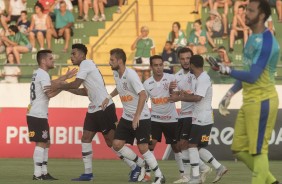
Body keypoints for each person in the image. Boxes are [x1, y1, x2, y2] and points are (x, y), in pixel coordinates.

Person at [46, 44, 142, 182]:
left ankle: (136, 166)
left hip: (104, 107)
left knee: (113, 143)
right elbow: (85, 91)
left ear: (82, 55)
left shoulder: (85, 64)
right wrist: (64, 88)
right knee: (85, 138)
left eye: (74, 54)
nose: (71, 56)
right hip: (94, 108)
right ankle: (88, 173)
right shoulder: (86, 67)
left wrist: (60, 85)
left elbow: (75, 84)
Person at [217, 1, 280, 184]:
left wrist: (226, 70)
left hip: (263, 101)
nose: (245, 13)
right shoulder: (252, 38)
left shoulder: (268, 42)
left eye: (250, 11)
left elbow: (252, 76)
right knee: (238, 148)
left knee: (258, 150)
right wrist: (230, 94)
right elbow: (246, 72)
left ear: (261, 16)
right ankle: (271, 181)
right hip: (250, 101)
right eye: (246, 9)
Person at [101, 48, 165, 184]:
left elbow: (142, 94)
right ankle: (141, 164)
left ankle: (159, 176)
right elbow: (120, 87)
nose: (109, 62)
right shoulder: (117, 74)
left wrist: (136, 116)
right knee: (116, 144)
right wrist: (108, 97)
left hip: (141, 117)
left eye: (112, 60)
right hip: (127, 116)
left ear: (119, 61)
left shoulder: (131, 75)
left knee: (143, 148)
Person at [170, 54, 228, 184]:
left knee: (191, 145)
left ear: (192, 65)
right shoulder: (199, 78)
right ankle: (218, 167)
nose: (187, 65)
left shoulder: (203, 79)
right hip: (199, 118)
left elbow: (198, 98)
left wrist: (179, 98)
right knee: (196, 147)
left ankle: (195, 178)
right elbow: (195, 95)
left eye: (189, 63)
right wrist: (183, 94)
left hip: (203, 118)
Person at [26, 49, 76, 180]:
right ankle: (37, 174)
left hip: (37, 113)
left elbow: (51, 85)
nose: (53, 60)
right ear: (43, 61)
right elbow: (50, 93)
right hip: (37, 114)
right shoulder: (43, 74)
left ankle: (44, 172)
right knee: (42, 142)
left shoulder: (39, 73)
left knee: (46, 142)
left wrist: (64, 78)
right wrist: (64, 87)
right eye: (50, 58)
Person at [143, 55, 182, 183]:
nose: (159, 68)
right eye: (156, 65)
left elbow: (175, 97)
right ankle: (148, 174)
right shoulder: (147, 83)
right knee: (150, 145)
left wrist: (171, 90)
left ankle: (183, 174)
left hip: (171, 119)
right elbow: (143, 102)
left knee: (176, 147)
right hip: (154, 119)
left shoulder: (171, 78)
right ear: (151, 67)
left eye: (161, 65)